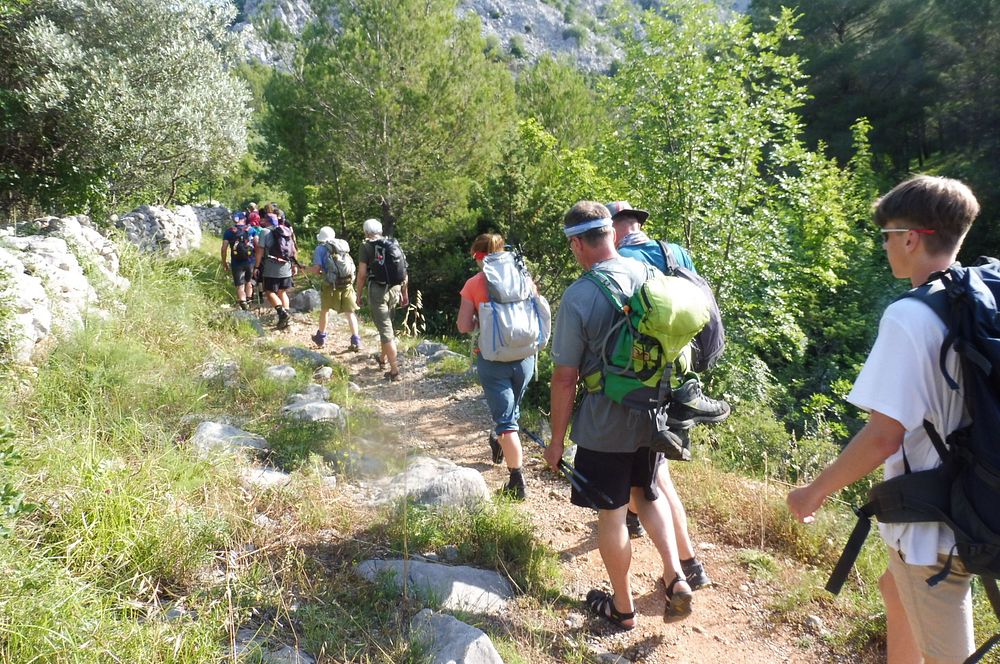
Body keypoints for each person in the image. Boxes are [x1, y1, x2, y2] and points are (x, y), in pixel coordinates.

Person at [787, 175, 981, 664]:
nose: (885, 245)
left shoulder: (910, 316)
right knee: (894, 589)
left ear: (911, 238)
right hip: (978, 496)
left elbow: (882, 438)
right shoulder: (978, 299)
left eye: (887, 235)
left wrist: (813, 492)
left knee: (947, 653)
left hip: (932, 526)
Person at [545, 200, 693, 630]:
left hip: (604, 423)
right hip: (653, 416)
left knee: (612, 514)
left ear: (577, 244)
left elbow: (565, 378)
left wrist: (556, 442)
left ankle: (623, 608)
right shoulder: (649, 274)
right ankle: (676, 577)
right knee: (647, 495)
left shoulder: (579, 295)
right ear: (612, 233)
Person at [607, 200, 728, 590]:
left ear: (615, 229)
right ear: (638, 223)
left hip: (646, 381)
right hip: (682, 378)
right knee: (652, 471)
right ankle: (636, 520)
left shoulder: (623, 262)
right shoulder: (674, 252)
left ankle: (688, 565)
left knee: (655, 478)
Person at [457, 233, 535, 500]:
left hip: (493, 361)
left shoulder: (474, 283)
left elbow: (463, 326)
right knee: (511, 412)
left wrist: (482, 321)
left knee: (506, 422)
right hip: (525, 356)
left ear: (479, 256)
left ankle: (517, 482)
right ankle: (499, 437)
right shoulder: (523, 276)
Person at [355, 218, 408, 382]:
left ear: (366, 232)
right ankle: (383, 359)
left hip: (378, 291)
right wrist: (405, 293)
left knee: (386, 331)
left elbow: (362, 274)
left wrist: (358, 294)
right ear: (380, 231)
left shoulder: (366, 246)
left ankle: (395, 371)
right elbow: (404, 271)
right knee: (387, 325)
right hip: (395, 289)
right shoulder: (392, 243)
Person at [306, 226, 362, 351]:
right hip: (347, 283)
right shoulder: (342, 245)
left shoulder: (320, 249)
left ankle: (320, 337)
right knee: (350, 312)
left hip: (331, 285)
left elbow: (317, 270)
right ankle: (356, 340)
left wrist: (305, 268)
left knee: (325, 310)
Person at [254, 212, 298, 330]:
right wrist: (294, 265)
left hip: (271, 268)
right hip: (286, 266)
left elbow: (260, 251)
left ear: (266, 221)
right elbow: (293, 250)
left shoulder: (264, 232)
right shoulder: (286, 230)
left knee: (269, 292)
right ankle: (287, 318)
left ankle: (282, 314)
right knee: (282, 292)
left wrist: (256, 267)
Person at [221, 211, 258, 311]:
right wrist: (258, 261)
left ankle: (244, 305)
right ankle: (249, 302)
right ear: (244, 219)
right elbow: (258, 245)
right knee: (249, 282)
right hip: (250, 261)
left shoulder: (229, 232)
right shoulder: (251, 230)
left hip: (236, 262)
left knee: (240, 286)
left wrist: (224, 263)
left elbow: (224, 249)